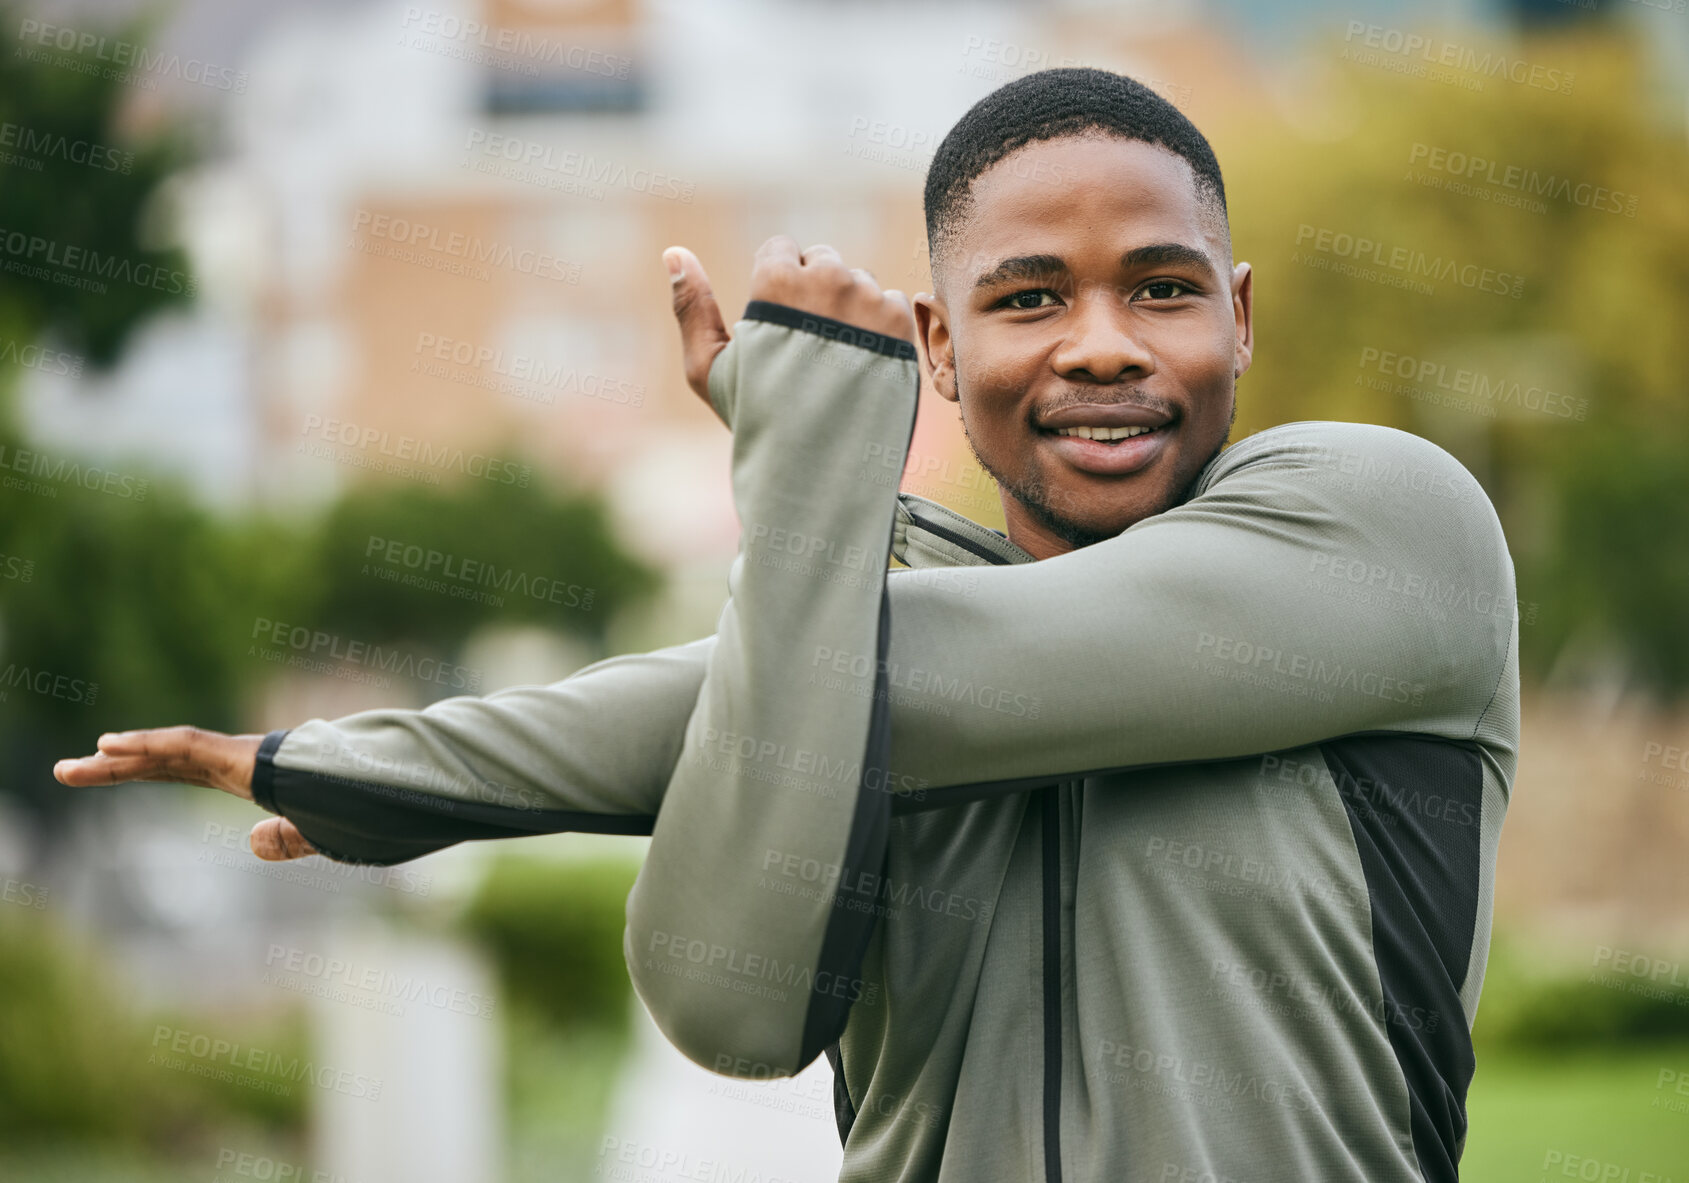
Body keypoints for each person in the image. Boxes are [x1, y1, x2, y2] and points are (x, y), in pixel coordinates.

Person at [55, 68, 1518, 1183]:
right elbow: (727, 1007)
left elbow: (910, 676)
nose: (1102, 343)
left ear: (1240, 318)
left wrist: (403, 770)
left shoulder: (1387, 529)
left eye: (1162, 288)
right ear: (937, 349)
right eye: (1025, 299)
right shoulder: (834, 639)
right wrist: (371, 769)